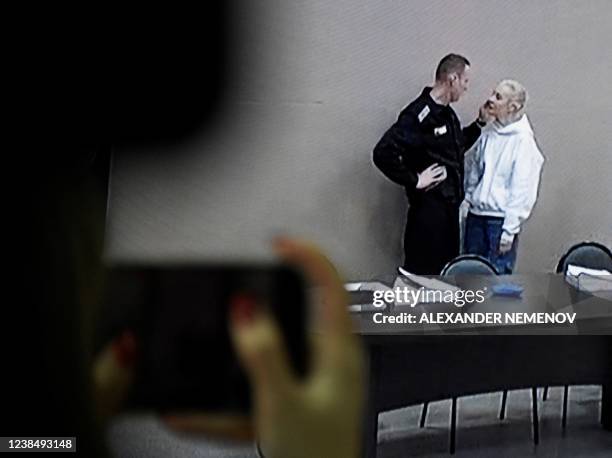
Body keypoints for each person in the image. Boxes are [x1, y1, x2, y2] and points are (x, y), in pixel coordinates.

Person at [373, 53, 489, 274]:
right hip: (428, 215)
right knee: (422, 276)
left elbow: (454, 149)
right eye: (465, 81)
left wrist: (479, 124)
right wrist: (415, 179)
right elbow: (382, 152)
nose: (466, 88)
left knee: (446, 276)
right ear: (452, 79)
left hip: (449, 213)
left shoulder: (447, 115)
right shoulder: (418, 114)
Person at [463, 79, 544, 274]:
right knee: (468, 279)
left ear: (513, 107)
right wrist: (467, 200)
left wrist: (509, 230)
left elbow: (522, 188)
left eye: (498, 97)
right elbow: (474, 171)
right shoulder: (489, 134)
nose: (490, 100)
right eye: (492, 93)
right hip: (476, 217)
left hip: (498, 223)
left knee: (496, 280)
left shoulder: (523, 141)